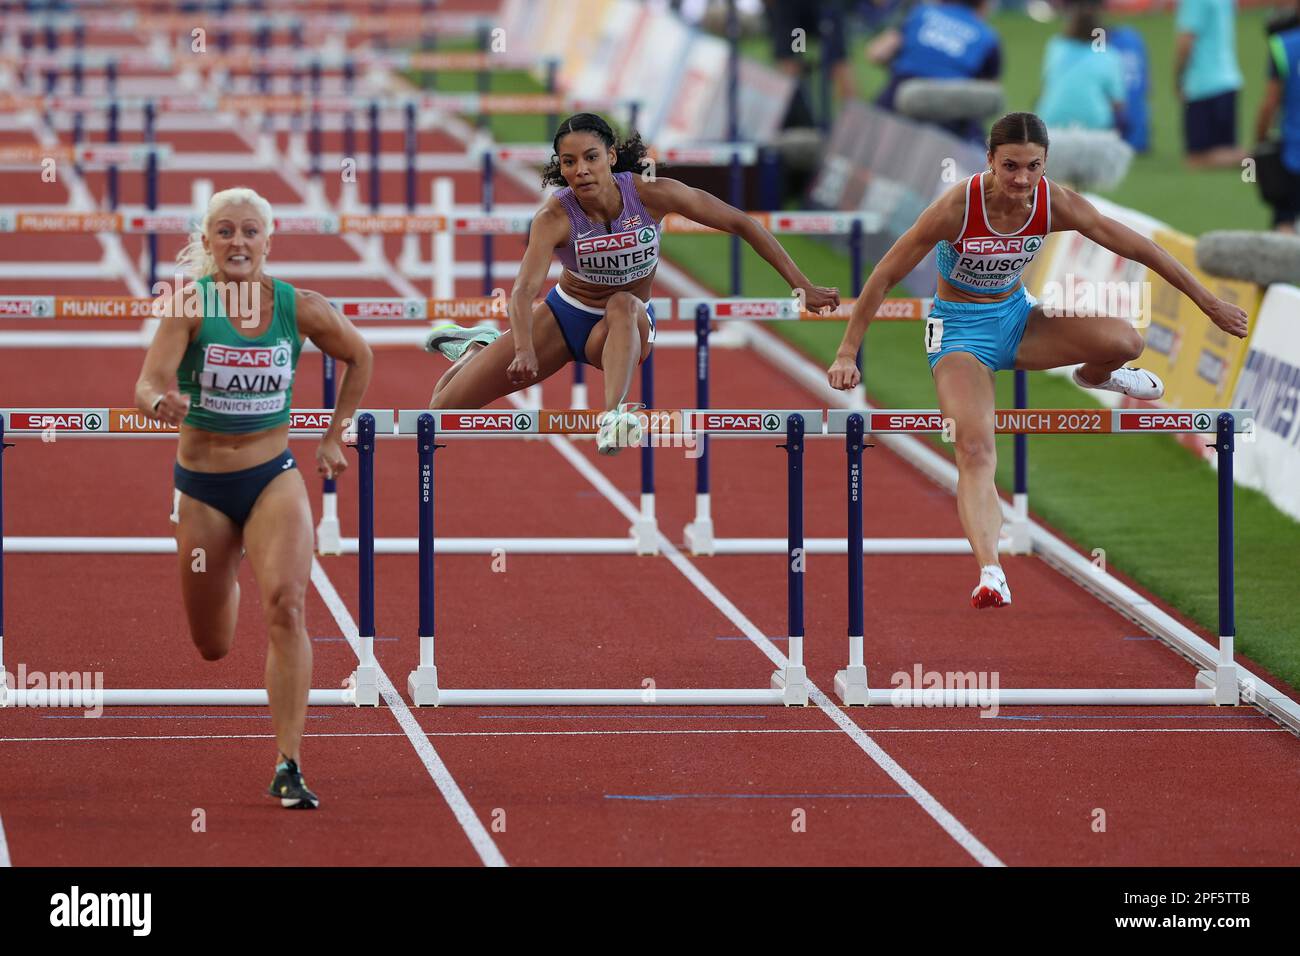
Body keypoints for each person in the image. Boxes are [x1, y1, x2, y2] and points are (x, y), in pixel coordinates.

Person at [826, 112, 1248, 608]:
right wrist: (847, 352)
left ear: (1045, 164)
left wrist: (1209, 302)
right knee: (976, 448)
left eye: (1033, 167)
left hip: (1018, 319)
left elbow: (1142, 249)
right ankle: (991, 571)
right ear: (989, 161)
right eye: (1010, 167)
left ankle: (1100, 376)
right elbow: (882, 277)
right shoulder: (956, 208)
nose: (1021, 180)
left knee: (1126, 342)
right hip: (960, 334)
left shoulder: (1054, 203)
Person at [135, 187, 373, 808]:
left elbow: (360, 355)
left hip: (273, 476)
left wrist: (332, 436)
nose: (238, 242)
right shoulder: (188, 308)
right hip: (204, 490)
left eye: (249, 231)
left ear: (268, 241)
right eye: (225, 231)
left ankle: (288, 763)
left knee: (288, 606)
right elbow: (146, 383)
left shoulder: (299, 306)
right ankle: (229, 568)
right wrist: (163, 403)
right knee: (212, 644)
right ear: (209, 242)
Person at [425, 112, 840, 453]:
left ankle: (614, 416)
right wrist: (521, 348)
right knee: (441, 410)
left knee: (623, 302)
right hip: (564, 316)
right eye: (569, 163)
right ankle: (477, 348)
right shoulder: (553, 218)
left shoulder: (652, 194)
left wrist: (802, 285)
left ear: (610, 155)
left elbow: (742, 223)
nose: (581, 170)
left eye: (590, 157)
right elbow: (522, 291)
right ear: (561, 168)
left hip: (626, 325)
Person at [869, 0, 1002, 141]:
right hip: (949, 119)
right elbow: (988, 97)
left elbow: (877, 53)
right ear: (984, 4)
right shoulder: (988, 37)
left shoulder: (921, 12)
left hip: (896, 103)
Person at [1036, 0, 1125, 133]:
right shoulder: (1108, 55)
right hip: (1094, 122)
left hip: (1052, 118)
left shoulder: (1055, 47)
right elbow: (1118, 102)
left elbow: (1046, 84)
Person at [1175, 0, 1245, 169]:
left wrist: (1178, 78)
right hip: (1229, 81)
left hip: (1204, 84)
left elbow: (1186, 40)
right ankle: (1255, 158)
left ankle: (1258, 158)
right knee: (1224, 151)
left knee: (1195, 160)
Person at [1254, 0, 1300, 231]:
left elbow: (1269, 104)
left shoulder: (1284, 46)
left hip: (1293, 154)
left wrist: (1259, 140)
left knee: (1285, 222)